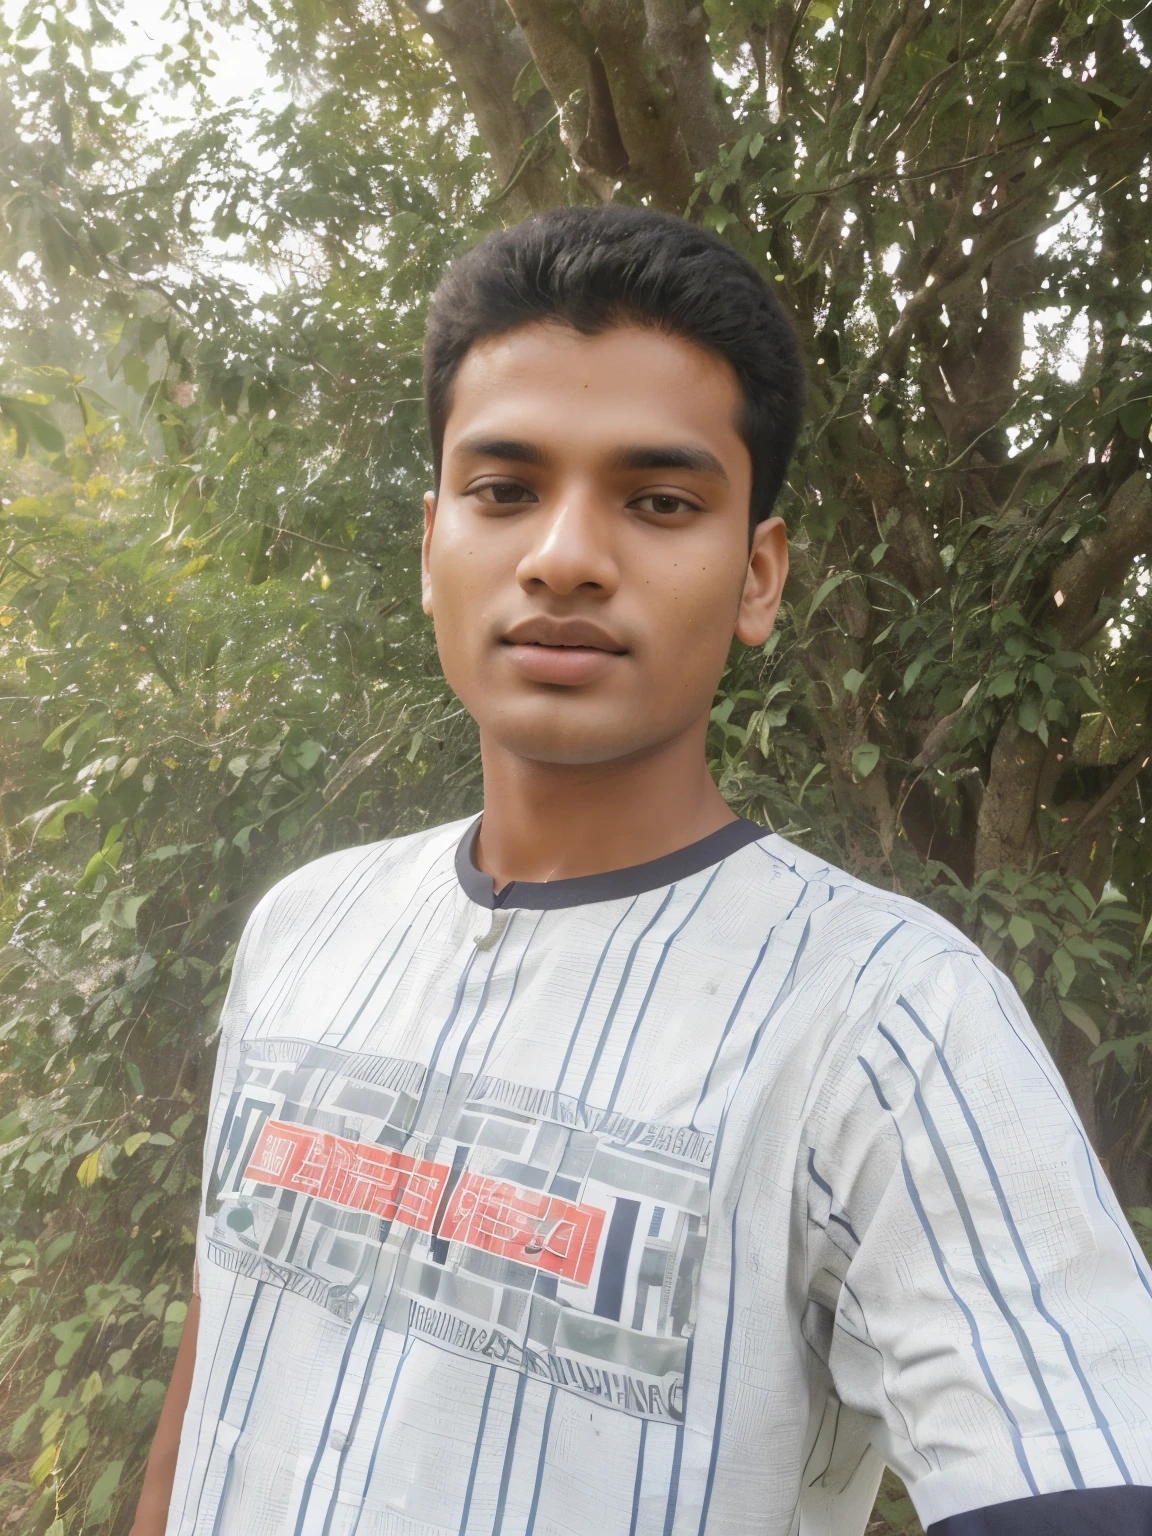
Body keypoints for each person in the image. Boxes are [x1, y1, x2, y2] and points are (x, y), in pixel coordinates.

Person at [132, 206, 1152, 1536]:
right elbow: (225, 1349)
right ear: (431, 543)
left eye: (660, 501)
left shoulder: (887, 1023)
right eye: (504, 491)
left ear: (758, 577)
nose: (564, 554)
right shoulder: (303, 926)